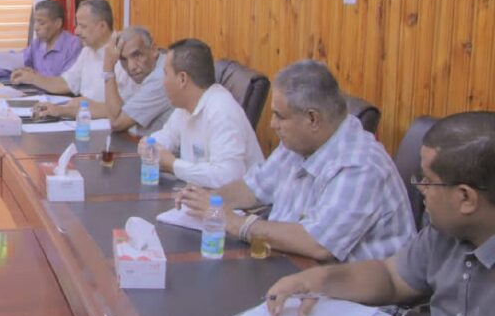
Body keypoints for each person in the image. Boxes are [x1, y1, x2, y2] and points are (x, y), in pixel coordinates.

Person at [264, 112, 495, 316]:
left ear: (466, 198)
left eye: (429, 181)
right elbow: (391, 277)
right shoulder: (445, 231)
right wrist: (315, 280)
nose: (421, 188)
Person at [178, 60, 414, 262]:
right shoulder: (298, 143)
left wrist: (235, 223)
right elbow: (255, 186)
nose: (272, 125)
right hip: (292, 267)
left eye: (279, 116)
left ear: (312, 119)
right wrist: (209, 199)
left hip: (349, 292)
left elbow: (317, 243)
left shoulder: (361, 165)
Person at [147, 38, 263, 187]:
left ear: (182, 79)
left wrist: (173, 165)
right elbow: (168, 135)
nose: (163, 82)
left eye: (166, 74)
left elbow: (229, 177)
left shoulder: (222, 110)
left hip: (236, 200)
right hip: (198, 194)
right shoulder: (185, 107)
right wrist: (151, 145)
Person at [33, 26, 173, 134]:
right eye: (123, 59)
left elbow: (116, 121)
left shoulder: (160, 78)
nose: (131, 67)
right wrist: (61, 110)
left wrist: (108, 68)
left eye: (137, 55)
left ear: (154, 49)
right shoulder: (144, 71)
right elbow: (114, 110)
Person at [11, 0, 115, 102]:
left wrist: (67, 108)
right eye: (77, 25)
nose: (76, 31)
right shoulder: (87, 51)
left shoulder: (121, 53)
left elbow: (115, 108)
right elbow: (66, 83)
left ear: (102, 26)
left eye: (83, 26)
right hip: (82, 110)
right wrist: (32, 78)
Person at [0, 0, 82, 81]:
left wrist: (34, 76)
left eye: (42, 23)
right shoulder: (38, 44)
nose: (36, 28)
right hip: (36, 96)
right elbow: (13, 63)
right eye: (35, 22)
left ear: (58, 23)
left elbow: (66, 83)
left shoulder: (74, 45)